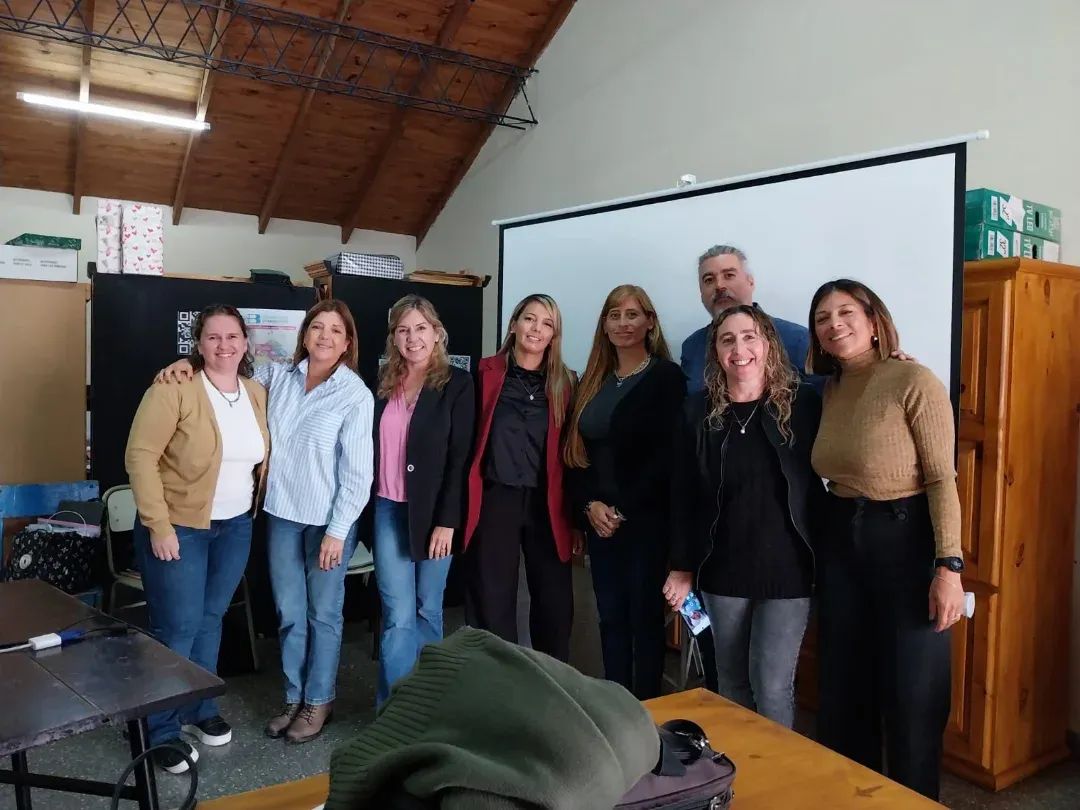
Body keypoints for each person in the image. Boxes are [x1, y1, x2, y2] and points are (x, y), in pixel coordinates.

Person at [156, 299, 374, 745]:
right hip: (282, 516)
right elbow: (224, 369)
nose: (325, 336)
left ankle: (318, 700)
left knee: (323, 615)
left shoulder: (355, 395)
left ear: (347, 342)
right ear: (305, 334)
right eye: (317, 327)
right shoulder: (279, 377)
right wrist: (187, 362)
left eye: (335, 330)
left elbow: (359, 473)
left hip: (329, 523)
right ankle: (293, 698)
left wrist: (338, 532)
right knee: (290, 615)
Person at [808, 278, 964, 800]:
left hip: (905, 539)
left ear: (874, 321)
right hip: (840, 541)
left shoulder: (912, 379)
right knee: (845, 691)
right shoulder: (829, 388)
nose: (834, 324)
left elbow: (942, 479)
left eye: (846, 313)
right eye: (823, 318)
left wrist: (949, 567)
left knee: (912, 697)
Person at [663, 304, 823, 729]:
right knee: (730, 682)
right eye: (727, 340)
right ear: (716, 352)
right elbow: (683, 494)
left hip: (788, 571)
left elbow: (854, 384)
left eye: (750, 337)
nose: (740, 349)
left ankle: (777, 771)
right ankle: (736, 766)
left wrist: (891, 357)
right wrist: (681, 566)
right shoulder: (697, 412)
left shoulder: (805, 404)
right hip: (722, 569)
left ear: (768, 344)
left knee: (772, 687)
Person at [126, 304, 270, 773]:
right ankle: (160, 730)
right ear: (199, 343)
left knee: (210, 621)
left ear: (245, 342)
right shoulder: (174, 388)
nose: (224, 345)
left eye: (232, 336)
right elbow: (140, 456)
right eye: (213, 337)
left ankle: (198, 707)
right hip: (180, 527)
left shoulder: (255, 392)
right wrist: (159, 525)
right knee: (177, 629)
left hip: (235, 526)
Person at [564, 284, 687, 699]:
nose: (623, 323)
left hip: (645, 523)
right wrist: (589, 506)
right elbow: (576, 455)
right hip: (600, 524)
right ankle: (616, 708)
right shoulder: (592, 381)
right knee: (611, 620)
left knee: (644, 623)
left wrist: (621, 509)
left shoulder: (666, 378)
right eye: (614, 315)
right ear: (604, 325)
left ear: (650, 322)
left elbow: (667, 459)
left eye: (632, 314)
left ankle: (647, 713)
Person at [368, 295, 475, 706]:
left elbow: (460, 459)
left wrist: (448, 521)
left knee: (428, 609)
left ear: (437, 333)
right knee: (398, 614)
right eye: (403, 330)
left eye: (420, 328)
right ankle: (394, 710)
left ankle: (428, 708)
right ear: (393, 338)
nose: (412, 338)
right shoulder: (382, 381)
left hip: (434, 516)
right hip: (388, 508)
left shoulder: (457, 384)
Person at [462, 294, 578, 662]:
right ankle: (500, 676)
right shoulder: (484, 374)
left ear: (554, 335)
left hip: (547, 501)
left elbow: (573, 452)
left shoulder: (566, 383)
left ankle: (550, 677)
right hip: (496, 496)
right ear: (514, 324)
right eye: (530, 319)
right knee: (492, 595)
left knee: (554, 601)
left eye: (547, 323)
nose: (536, 329)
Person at [680, 245, 815, 394]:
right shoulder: (692, 347)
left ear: (750, 282)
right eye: (709, 280)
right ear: (701, 293)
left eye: (729, 275)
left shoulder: (798, 339)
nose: (719, 285)